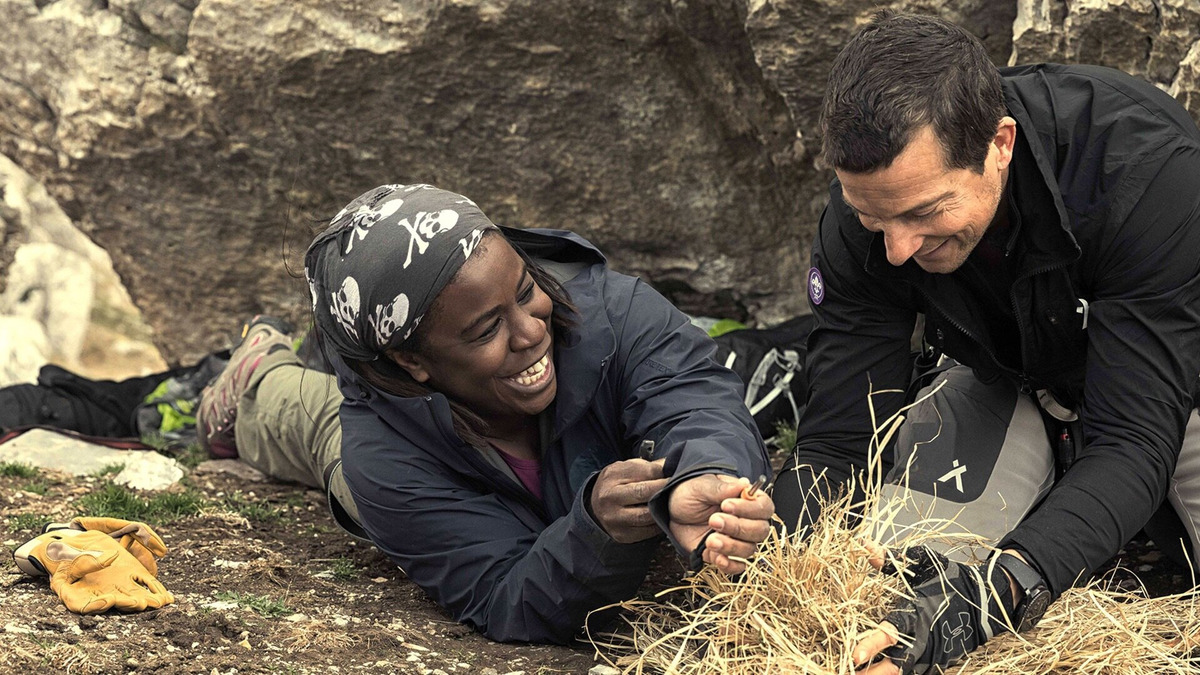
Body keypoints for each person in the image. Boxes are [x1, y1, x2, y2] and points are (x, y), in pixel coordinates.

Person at [771, 10, 1200, 674]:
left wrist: (993, 594)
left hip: (1174, 390)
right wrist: (769, 544)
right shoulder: (876, 206)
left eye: (924, 213)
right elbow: (839, 438)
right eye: (870, 216)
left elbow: (1134, 440)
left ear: (1000, 143)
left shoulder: (1147, 172)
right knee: (888, 589)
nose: (897, 248)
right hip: (1016, 382)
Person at [196, 183, 774, 644]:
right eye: (488, 328)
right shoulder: (385, 464)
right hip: (400, 434)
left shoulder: (615, 313)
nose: (531, 331)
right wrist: (595, 530)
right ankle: (259, 374)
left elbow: (693, 396)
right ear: (411, 359)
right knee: (328, 433)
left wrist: (702, 474)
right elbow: (502, 595)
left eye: (524, 292)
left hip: (433, 403)